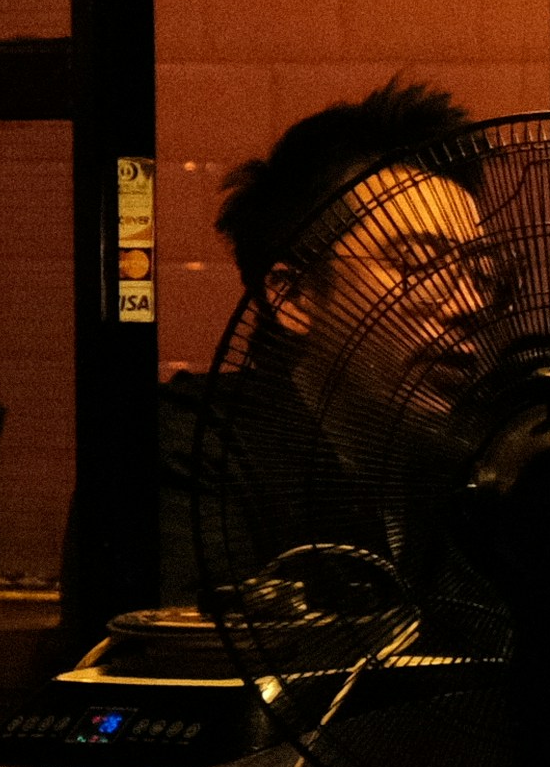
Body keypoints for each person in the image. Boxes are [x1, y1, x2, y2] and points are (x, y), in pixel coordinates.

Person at [150, 78, 490, 613]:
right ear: (294, 297)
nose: (470, 303)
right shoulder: (193, 450)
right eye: (418, 263)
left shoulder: (474, 473)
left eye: (482, 275)